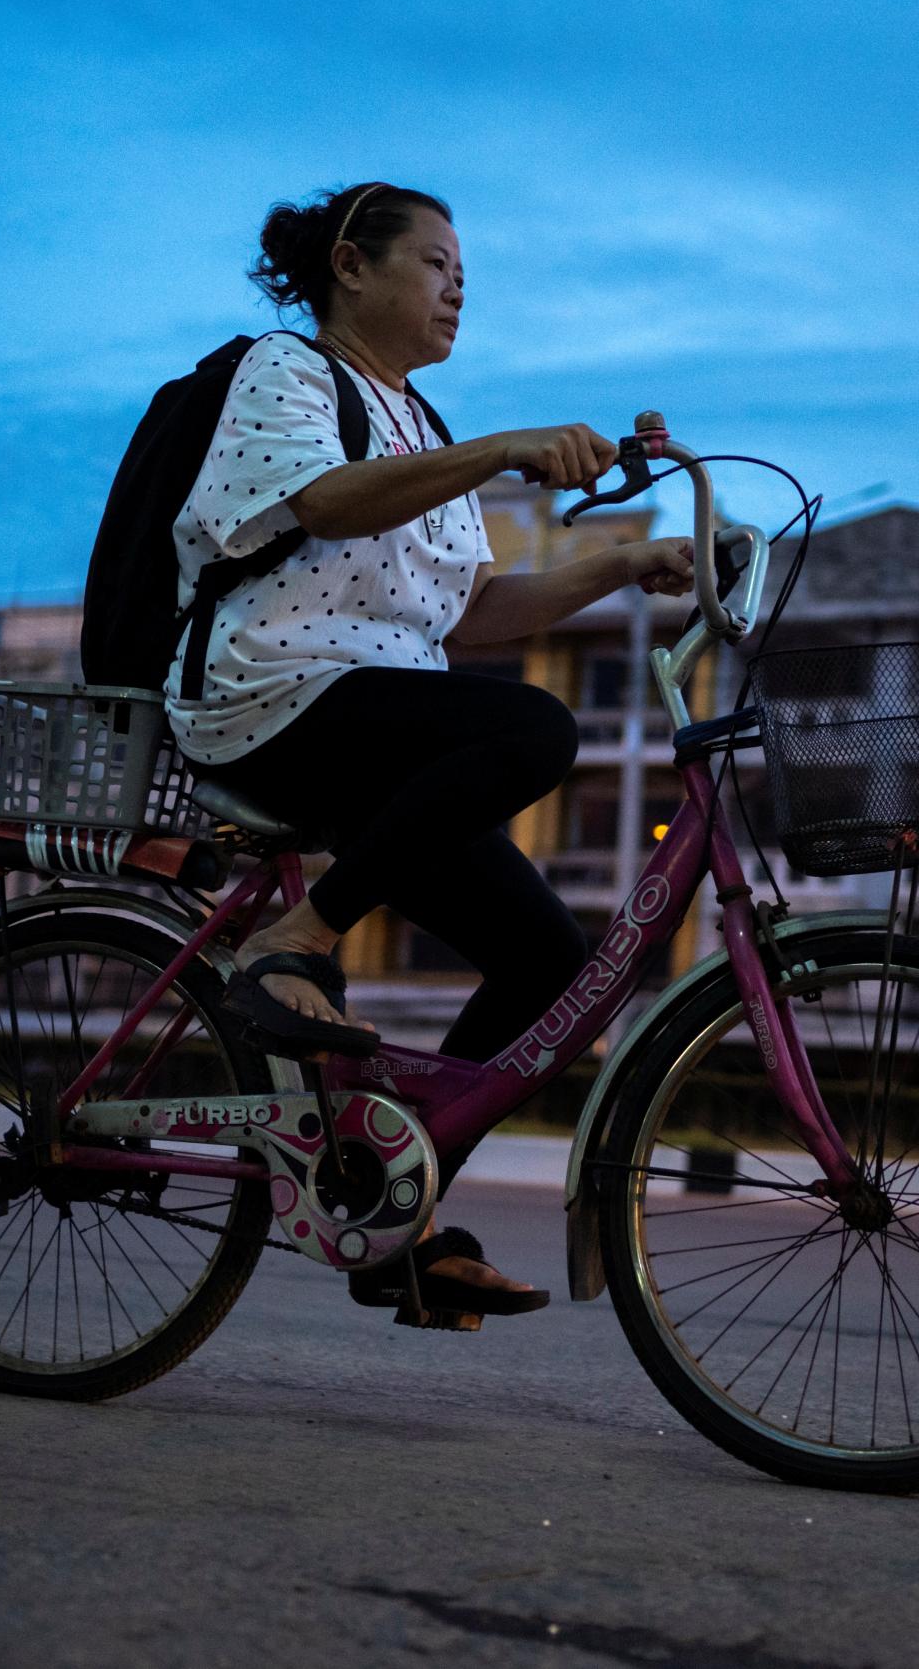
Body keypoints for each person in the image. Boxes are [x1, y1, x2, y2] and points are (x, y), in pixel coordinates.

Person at [168, 182, 693, 1319]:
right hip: (269, 701)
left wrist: (618, 566)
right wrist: (505, 449)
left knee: (554, 968)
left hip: (372, 726)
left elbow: (464, 615)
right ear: (351, 266)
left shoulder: (423, 427)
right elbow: (326, 504)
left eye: (466, 271)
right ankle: (295, 938)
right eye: (436, 262)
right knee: (533, 726)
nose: (459, 285)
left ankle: (389, 1215)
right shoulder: (289, 374)